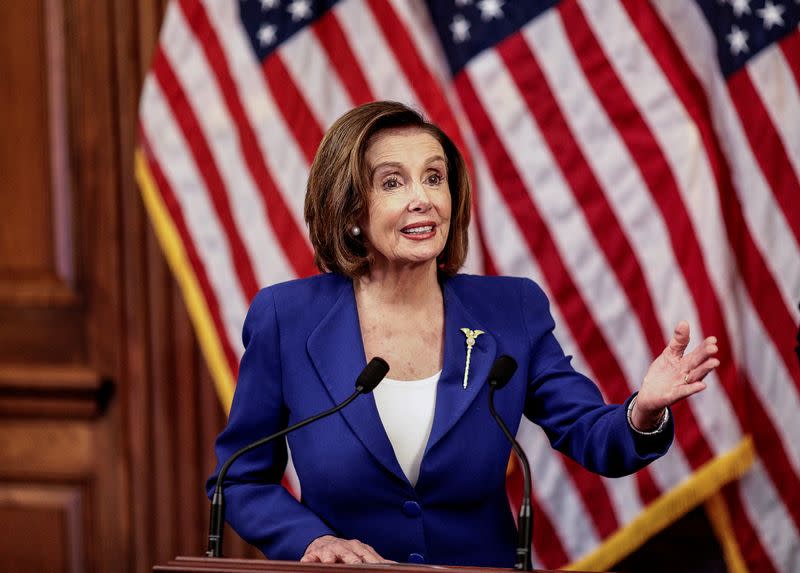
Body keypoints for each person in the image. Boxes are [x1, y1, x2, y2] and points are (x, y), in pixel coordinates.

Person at [207, 101, 719, 567]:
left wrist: (643, 411)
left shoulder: (509, 310)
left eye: (434, 178)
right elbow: (239, 478)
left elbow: (590, 433)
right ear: (351, 209)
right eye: (392, 183)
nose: (422, 199)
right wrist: (311, 542)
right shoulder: (286, 318)